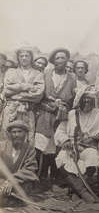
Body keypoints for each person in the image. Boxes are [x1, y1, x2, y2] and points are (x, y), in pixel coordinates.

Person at [54, 85, 99, 203]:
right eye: (84, 98)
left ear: (94, 100)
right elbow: (60, 131)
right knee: (62, 158)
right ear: (79, 100)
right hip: (72, 147)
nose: (87, 101)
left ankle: (75, 190)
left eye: (89, 99)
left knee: (93, 157)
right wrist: (65, 140)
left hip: (89, 147)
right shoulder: (71, 114)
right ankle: (83, 192)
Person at [35, 48, 76, 188]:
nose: (60, 61)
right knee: (41, 145)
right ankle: (38, 179)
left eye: (63, 58)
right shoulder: (46, 74)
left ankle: (54, 179)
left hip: (61, 117)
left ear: (67, 60)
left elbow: (73, 101)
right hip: (45, 114)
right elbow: (38, 95)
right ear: (53, 61)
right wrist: (50, 105)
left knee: (57, 146)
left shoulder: (72, 78)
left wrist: (64, 106)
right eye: (57, 58)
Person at [1, 44, 44, 146]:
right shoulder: (11, 72)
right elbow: (7, 90)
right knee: (7, 138)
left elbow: (38, 95)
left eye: (27, 56)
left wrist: (15, 93)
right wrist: (26, 86)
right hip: (11, 109)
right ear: (18, 58)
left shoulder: (38, 74)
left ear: (31, 57)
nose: (24, 58)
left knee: (27, 140)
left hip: (27, 110)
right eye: (21, 56)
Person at [0, 120, 38, 206]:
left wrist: (12, 180)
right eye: (14, 132)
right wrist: (5, 183)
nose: (16, 135)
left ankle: (10, 199)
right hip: (2, 181)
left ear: (25, 133)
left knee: (26, 186)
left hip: (19, 182)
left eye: (20, 132)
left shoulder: (30, 150)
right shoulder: (1, 146)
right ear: (10, 134)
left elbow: (30, 169)